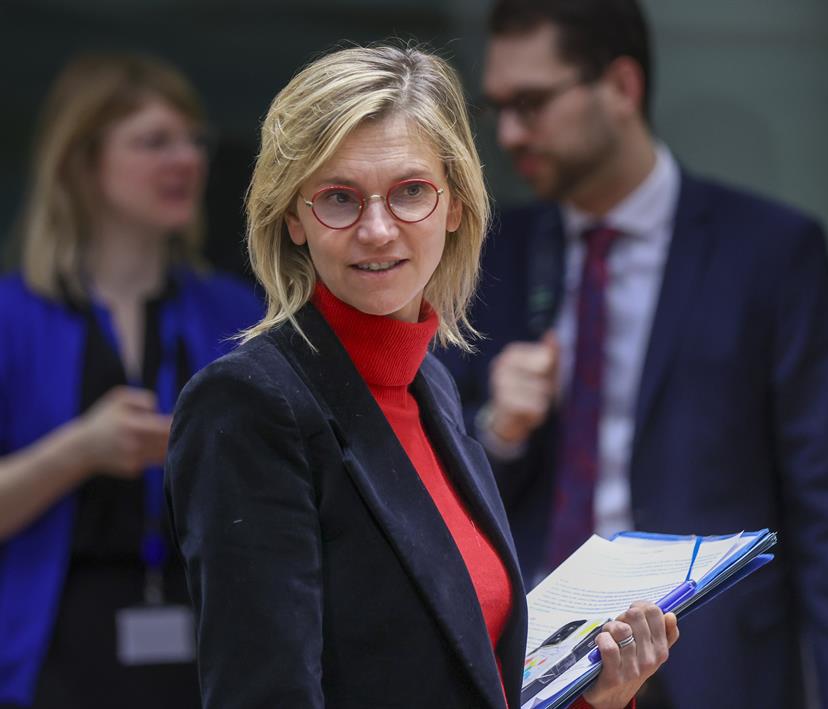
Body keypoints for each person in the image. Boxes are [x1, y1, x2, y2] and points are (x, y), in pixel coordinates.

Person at [165, 44, 678, 709]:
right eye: (338, 198)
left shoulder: (430, 383)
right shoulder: (248, 405)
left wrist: (593, 697)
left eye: (410, 191)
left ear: (455, 205)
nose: (378, 230)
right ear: (293, 217)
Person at [436, 1, 828, 708]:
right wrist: (500, 428)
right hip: (529, 664)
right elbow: (434, 477)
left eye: (532, 103)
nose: (509, 133)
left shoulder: (769, 253)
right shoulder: (490, 255)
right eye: (498, 106)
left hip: (709, 662)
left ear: (621, 87)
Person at [0, 53, 260, 708]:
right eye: (153, 142)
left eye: (192, 140)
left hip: (216, 645)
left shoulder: (239, 314)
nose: (186, 160)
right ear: (82, 163)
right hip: (48, 652)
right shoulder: (11, 316)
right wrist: (81, 450)